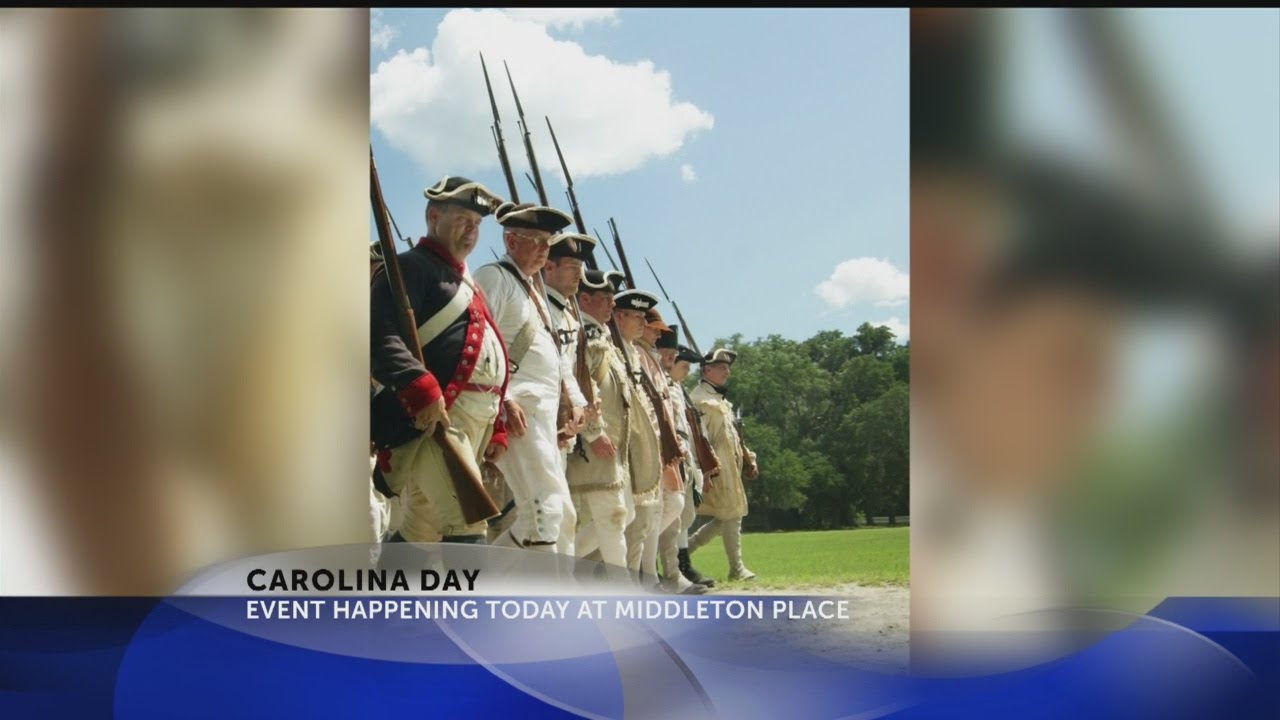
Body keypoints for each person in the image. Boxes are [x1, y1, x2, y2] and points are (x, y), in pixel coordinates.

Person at [370, 176, 509, 544]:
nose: (472, 230)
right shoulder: (409, 268)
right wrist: (421, 389)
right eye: (463, 219)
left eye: (476, 223)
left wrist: (497, 423)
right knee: (468, 518)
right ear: (434, 217)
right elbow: (380, 337)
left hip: (474, 416)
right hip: (435, 416)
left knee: (421, 529)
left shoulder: (467, 282)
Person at [474, 202, 580, 554]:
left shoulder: (532, 290)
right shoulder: (494, 277)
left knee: (561, 515)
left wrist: (571, 402)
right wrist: (503, 400)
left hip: (542, 414)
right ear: (511, 240)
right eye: (535, 241)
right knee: (544, 512)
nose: (543, 249)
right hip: (519, 410)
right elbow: (477, 344)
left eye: (547, 243)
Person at [566, 269, 634, 579]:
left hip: (611, 442)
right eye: (605, 298)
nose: (611, 305)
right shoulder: (588, 337)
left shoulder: (601, 336)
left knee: (621, 514)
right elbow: (582, 385)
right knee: (612, 515)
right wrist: (595, 434)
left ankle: (556, 566)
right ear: (585, 299)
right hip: (593, 443)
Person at [688, 348, 759, 580]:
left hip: (731, 467)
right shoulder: (699, 400)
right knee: (731, 515)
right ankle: (737, 569)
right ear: (707, 370)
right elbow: (698, 440)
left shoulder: (719, 400)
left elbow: (734, 436)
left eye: (727, 367)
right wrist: (703, 470)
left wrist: (749, 458)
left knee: (724, 518)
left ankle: (683, 554)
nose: (727, 371)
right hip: (716, 467)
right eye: (721, 367)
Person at [612, 289, 667, 580]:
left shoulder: (632, 352)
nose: (644, 324)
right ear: (619, 318)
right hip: (619, 446)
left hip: (640, 445)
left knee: (640, 519)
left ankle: (634, 581)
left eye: (645, 318)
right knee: (622, 519)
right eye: (637, 317)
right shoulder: (610, 348)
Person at [654, 325, 711, 594]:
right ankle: (652, 571)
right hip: (664, 452)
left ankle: (673, 571)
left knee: (678, 516)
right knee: (663, 515)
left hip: (681, 453)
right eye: (683, 365)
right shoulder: (658, 379)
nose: (687, 371)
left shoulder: (676, 388)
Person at [542, 232, 599, 471]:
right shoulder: (540, 308)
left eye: (581, 267)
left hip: (564, 421)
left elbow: (569, 369)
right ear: (549, 267)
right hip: (540, 417)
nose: (580, 274)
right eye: (572, 266)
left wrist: (579, 403)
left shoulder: (568, 316)